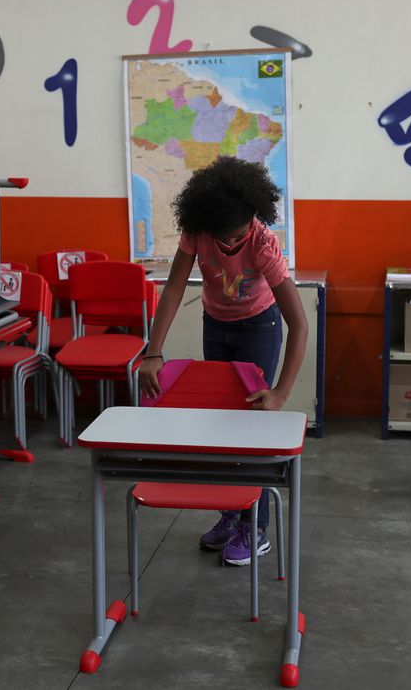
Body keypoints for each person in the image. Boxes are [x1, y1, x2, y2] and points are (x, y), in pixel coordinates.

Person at [139, 156, 307, 567]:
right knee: (221, 424)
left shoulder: (262, 244)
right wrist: (153, 352)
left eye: (238, 235)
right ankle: (231, 513)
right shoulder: (198, 231)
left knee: (253, 426)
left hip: (259, 327)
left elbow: (299, 324)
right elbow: (174, 288)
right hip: (216, 325)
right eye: (223, 237)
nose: (231, 244)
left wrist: (281, 393)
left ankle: (256, 527)